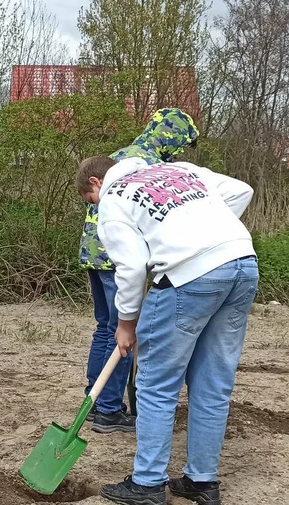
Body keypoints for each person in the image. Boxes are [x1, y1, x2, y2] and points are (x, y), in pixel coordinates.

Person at [77, 148, 256, 505]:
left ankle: (147, 484)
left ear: (96, 183)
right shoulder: (179, 171)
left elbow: (129, 268)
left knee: (156, 386)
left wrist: (125, 325)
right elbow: (241, 191)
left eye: (89, 200)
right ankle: (202, 481)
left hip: (187, 280)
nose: (94, 205)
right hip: (241, 264)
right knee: (213, 384)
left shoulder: (113, 199)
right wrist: (203, 239)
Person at [79, 108, 200, 434]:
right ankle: (108, 409)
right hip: (117, 256)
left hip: (93, 251)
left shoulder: (121, 156)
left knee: (105, 328)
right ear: (172, 140)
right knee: (122, 333)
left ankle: (93, 401)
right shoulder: (149, 164)